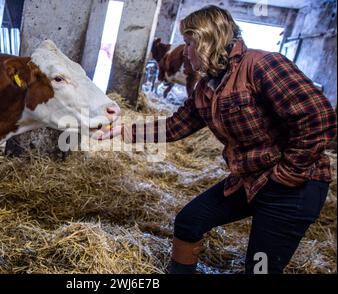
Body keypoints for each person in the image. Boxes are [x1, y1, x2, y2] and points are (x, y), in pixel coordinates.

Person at [98, 5, 337, 274]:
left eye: (189, 43)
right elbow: (176, 126)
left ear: (207, 39)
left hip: (295, 186)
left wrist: (287, 173)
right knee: (189, 222)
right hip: (250, 178)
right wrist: (125, 130)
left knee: (260, 268)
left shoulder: (262, 65)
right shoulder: (205, 87)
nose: (185, 52)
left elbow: (319, 119)